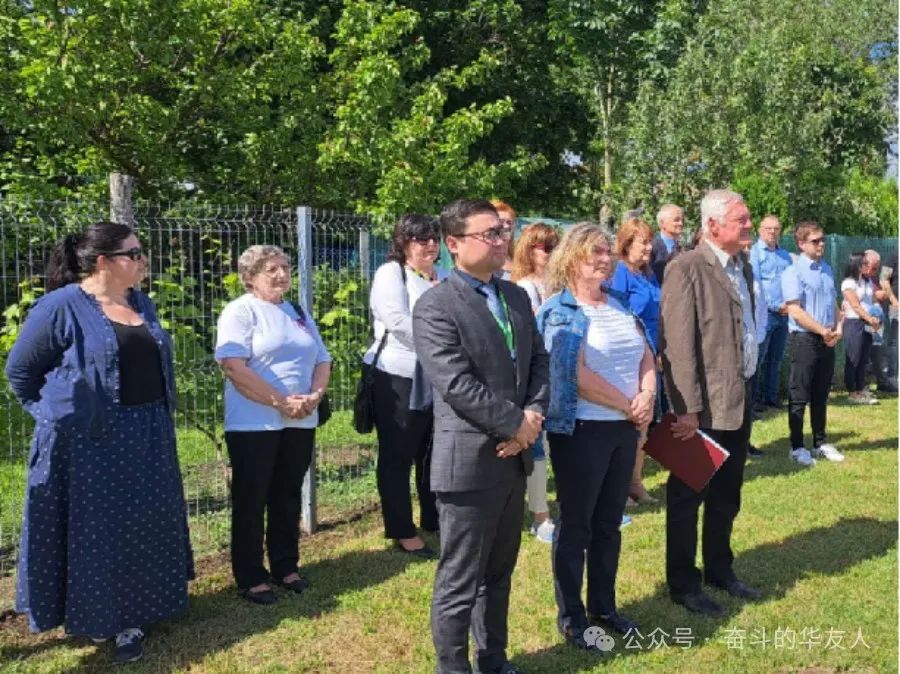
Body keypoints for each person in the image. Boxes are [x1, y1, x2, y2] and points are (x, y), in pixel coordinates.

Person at [5, 222, 194, 663]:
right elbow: (20, 372)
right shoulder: (60, 306)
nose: (143, 260)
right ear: (104, 261)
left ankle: (145, 608)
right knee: (101, 534)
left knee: (144, 523)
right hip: (91, 443)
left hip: (147, 432)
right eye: (134, 253)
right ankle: (110, 619)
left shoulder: (140, 302)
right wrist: (56, 416)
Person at [413, 199, 549, 674]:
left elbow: (538, 362)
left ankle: (494, 660)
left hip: (514, 458)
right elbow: (456, 384)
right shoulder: (436, 306)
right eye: (488, 233)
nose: (500, 240)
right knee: (461, 580)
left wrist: (532, 416)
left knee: (499, 573)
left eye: (502, 231)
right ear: (453, 244)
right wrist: (516, 425)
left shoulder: (514, 296)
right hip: (470, 464)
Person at [537, 223, 656, 651]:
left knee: (609, 523)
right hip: (583, 430)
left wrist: (647, 394)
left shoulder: (619, 303)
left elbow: (646, 355)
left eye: (608, 252)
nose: (606, 260)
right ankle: (573, 618)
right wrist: (628, 404)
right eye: (596, 253)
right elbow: (572, 373)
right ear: (571, 258)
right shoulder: (558, 311)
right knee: (577, 526)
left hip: (624, 428)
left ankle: (604, 607)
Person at [659, 189, 762, 618]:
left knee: (727, 493)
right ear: (713, 226)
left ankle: (720, 569)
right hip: (700, 406)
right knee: (688, 496)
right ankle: (684, 583)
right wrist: (686, 408)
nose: (749, 225)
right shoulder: (686, 267)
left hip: (738, 397)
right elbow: (678, 346)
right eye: (741, 219)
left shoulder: (742, 266)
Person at [215, 245, 332, 604]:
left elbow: (322, 358)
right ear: (250, 277)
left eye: (285, 267)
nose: (282, 275)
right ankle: (251, 575)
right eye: (272, 269)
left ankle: (285, 565)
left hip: (300, 419)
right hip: (254, 423)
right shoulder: (240, 311)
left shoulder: (297, 312)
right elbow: (233, 366)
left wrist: (315, 395)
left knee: (287, 494)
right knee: (252, 498)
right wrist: (280, 401)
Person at [364, 214, 443, 558]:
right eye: (421, 239)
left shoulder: (443, 275)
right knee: (398, 455)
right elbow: (397, 321)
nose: (430, 245)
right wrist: (443, 345)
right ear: (403, 243)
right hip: (398, 376)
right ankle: (401, 529)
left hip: (438, 376)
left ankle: (433, 517)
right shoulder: (391, 273)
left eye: (434, 238)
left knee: (433, 451)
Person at [510, 222, 560, 543]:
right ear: (529, 250)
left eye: (555, 246)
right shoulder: (525, 287)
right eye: (545, 247)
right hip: (535, 374)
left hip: (558, 372)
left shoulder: (556, 284)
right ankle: (540, 516)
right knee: (537, 445)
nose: (551, 253)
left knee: (555, 443)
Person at [607, 217, 661, 505]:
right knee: (628, 423)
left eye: (650, 241)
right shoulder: (619, 274)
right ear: (627, 244)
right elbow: (617, 314)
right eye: (644, 242)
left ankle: (635, 483)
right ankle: (619, 486)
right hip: (628, 357)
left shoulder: (648, 274)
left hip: (651, 354)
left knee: (643, 423)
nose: (649, 247)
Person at [781, 221, 844, 465]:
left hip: (827, 337)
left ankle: (820, 442)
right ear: (801, 243)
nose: (821, 244)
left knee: (821, 392)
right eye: (815, 241)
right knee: (799, 393)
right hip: (805, 338)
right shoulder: (793, 272)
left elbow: (833, 302)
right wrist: (821, 331)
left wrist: (837, 328)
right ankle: (796, 446)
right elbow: (795, 310)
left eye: (822, 240)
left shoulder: (826, 269)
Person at [749, 215, 793, 411]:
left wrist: (789, 304)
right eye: (769, 228)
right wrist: (775, 305)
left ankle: (771, 397)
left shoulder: (785, 256)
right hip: (764, 313)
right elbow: (756, 285)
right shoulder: (755, 253)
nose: (772, 232)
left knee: (776, 358)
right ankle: (754, 400)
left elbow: (791, 281)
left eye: (776, 229)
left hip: (784, 313)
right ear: (760, 230)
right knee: (758, 358)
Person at [840, 250, 881, 405]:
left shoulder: (866, 281)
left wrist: (875, 317)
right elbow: (855, 306)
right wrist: (870, 319)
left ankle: (860, 388)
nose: (866, 266)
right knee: (854, 358)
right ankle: (852, 392)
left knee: (864, 358)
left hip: (867, 323)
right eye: (864, 263)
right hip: (854, 322)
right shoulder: (849, 283)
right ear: (857, 264)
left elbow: (873, 299)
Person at [877, 250, 898, 392]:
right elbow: (883, 279)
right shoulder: (894, 256)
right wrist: (894, 300)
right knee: (895, 343)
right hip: (895, 307)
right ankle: (891, 379)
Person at [649, 203, 684, 284]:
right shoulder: (651, 247)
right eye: (676, 220)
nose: (681, 223)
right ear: (662, 223)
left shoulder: (682, 249)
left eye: (682, 220)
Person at [491, 199, 517, 280]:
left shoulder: (516, 255)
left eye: (509, 222)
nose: (506, 226)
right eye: (501, 221)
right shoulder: (486, 255)